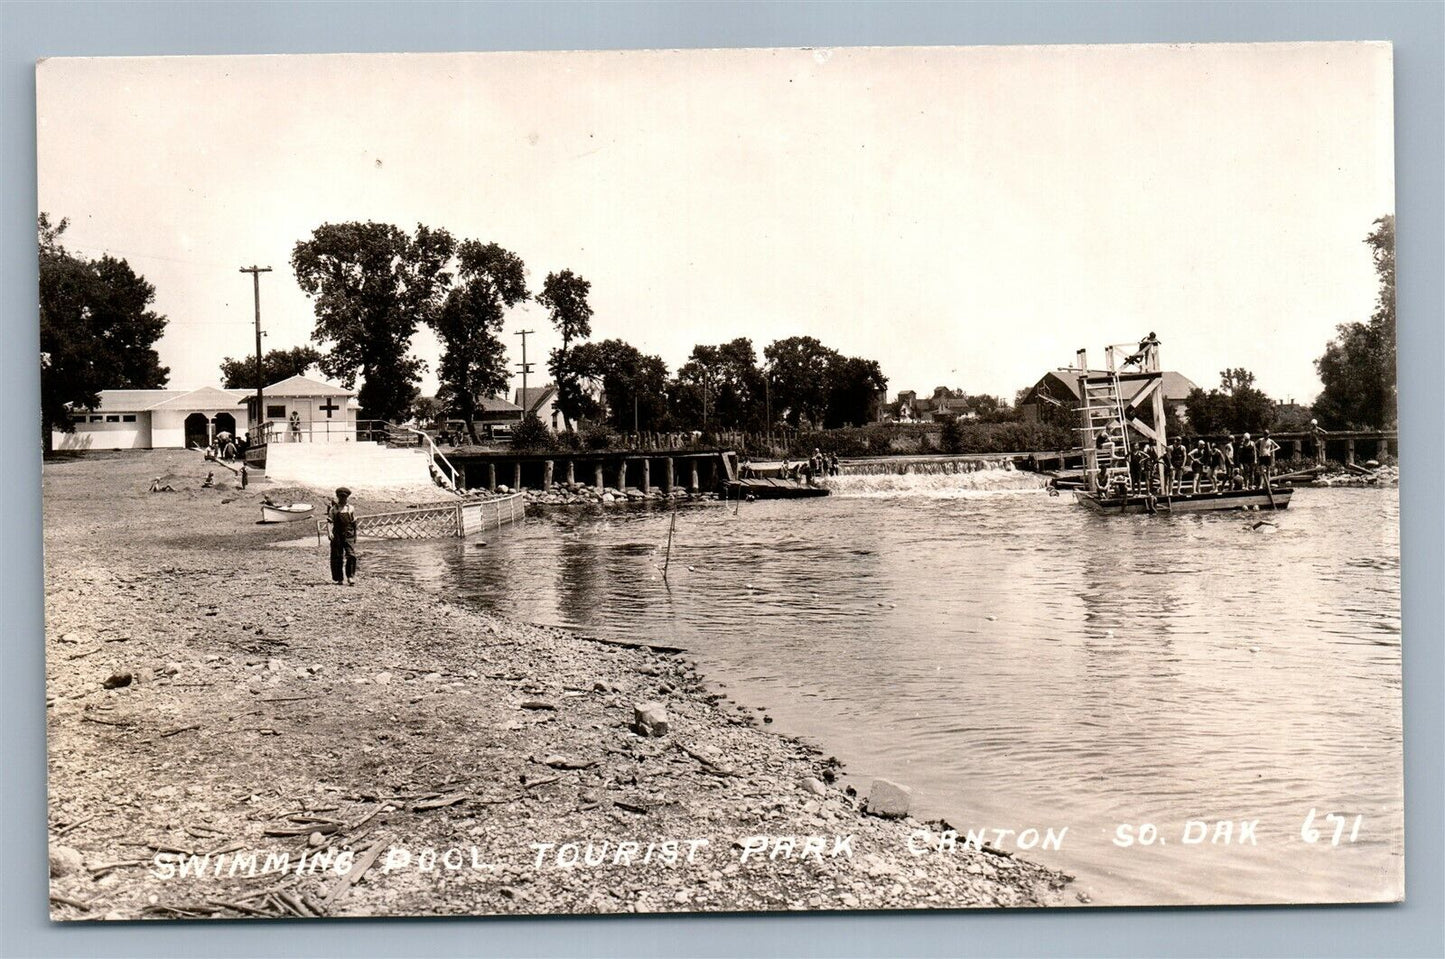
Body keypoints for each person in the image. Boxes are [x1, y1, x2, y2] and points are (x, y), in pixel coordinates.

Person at [327, 487, 359, 586]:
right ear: (337, 497)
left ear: (347, 498)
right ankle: (339, 578)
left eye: (344, 497)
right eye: (340, 497)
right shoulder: (334, 509)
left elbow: (354, 523)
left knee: (351, 555)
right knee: (337, 556)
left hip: (349, 534)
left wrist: (355, 535)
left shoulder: (351, 508)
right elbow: (329, 521)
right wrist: (329, 533)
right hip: (337, 534)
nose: (342, 499)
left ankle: (350, 577)